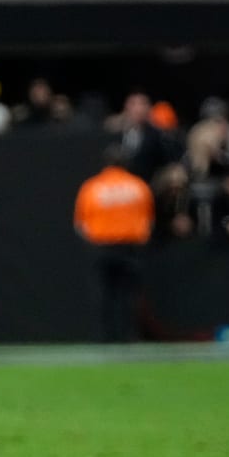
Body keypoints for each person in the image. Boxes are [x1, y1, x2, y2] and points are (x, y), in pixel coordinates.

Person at [72, 143, 154, 342]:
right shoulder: (138, 186)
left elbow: (81, 224)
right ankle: (130, 336)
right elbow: (149, 221)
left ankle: (106, 337)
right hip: (130, 247)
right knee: (129, 296)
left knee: (104, 296)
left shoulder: (92, 187)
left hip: (103, 247)